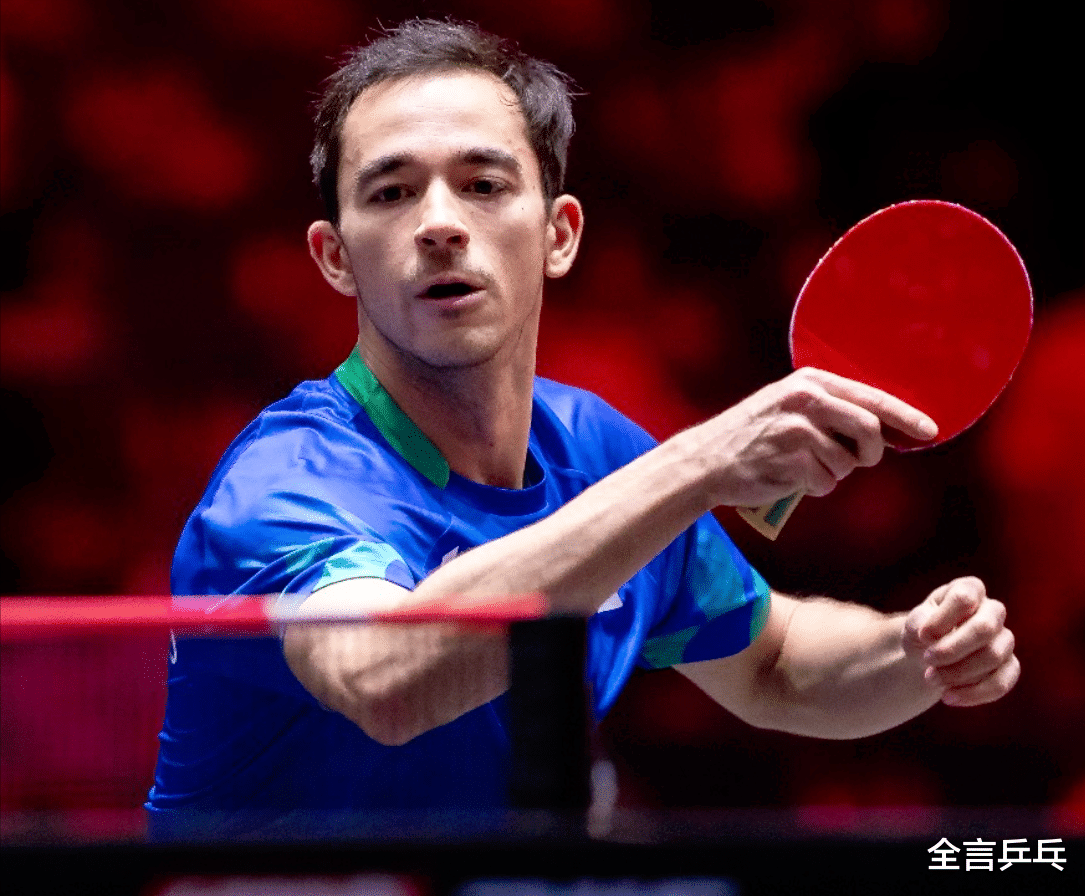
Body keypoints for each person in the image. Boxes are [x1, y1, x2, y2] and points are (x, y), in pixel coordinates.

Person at [145, 19, 1019, 837]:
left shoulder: (591, 450)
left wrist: (914, 652)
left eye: (483, 185)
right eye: (392, 192)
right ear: (335, 257)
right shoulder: (284, 481)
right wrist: (698, 467)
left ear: (558, 236)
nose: (440, 224)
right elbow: (386, 680)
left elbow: (774, 665)